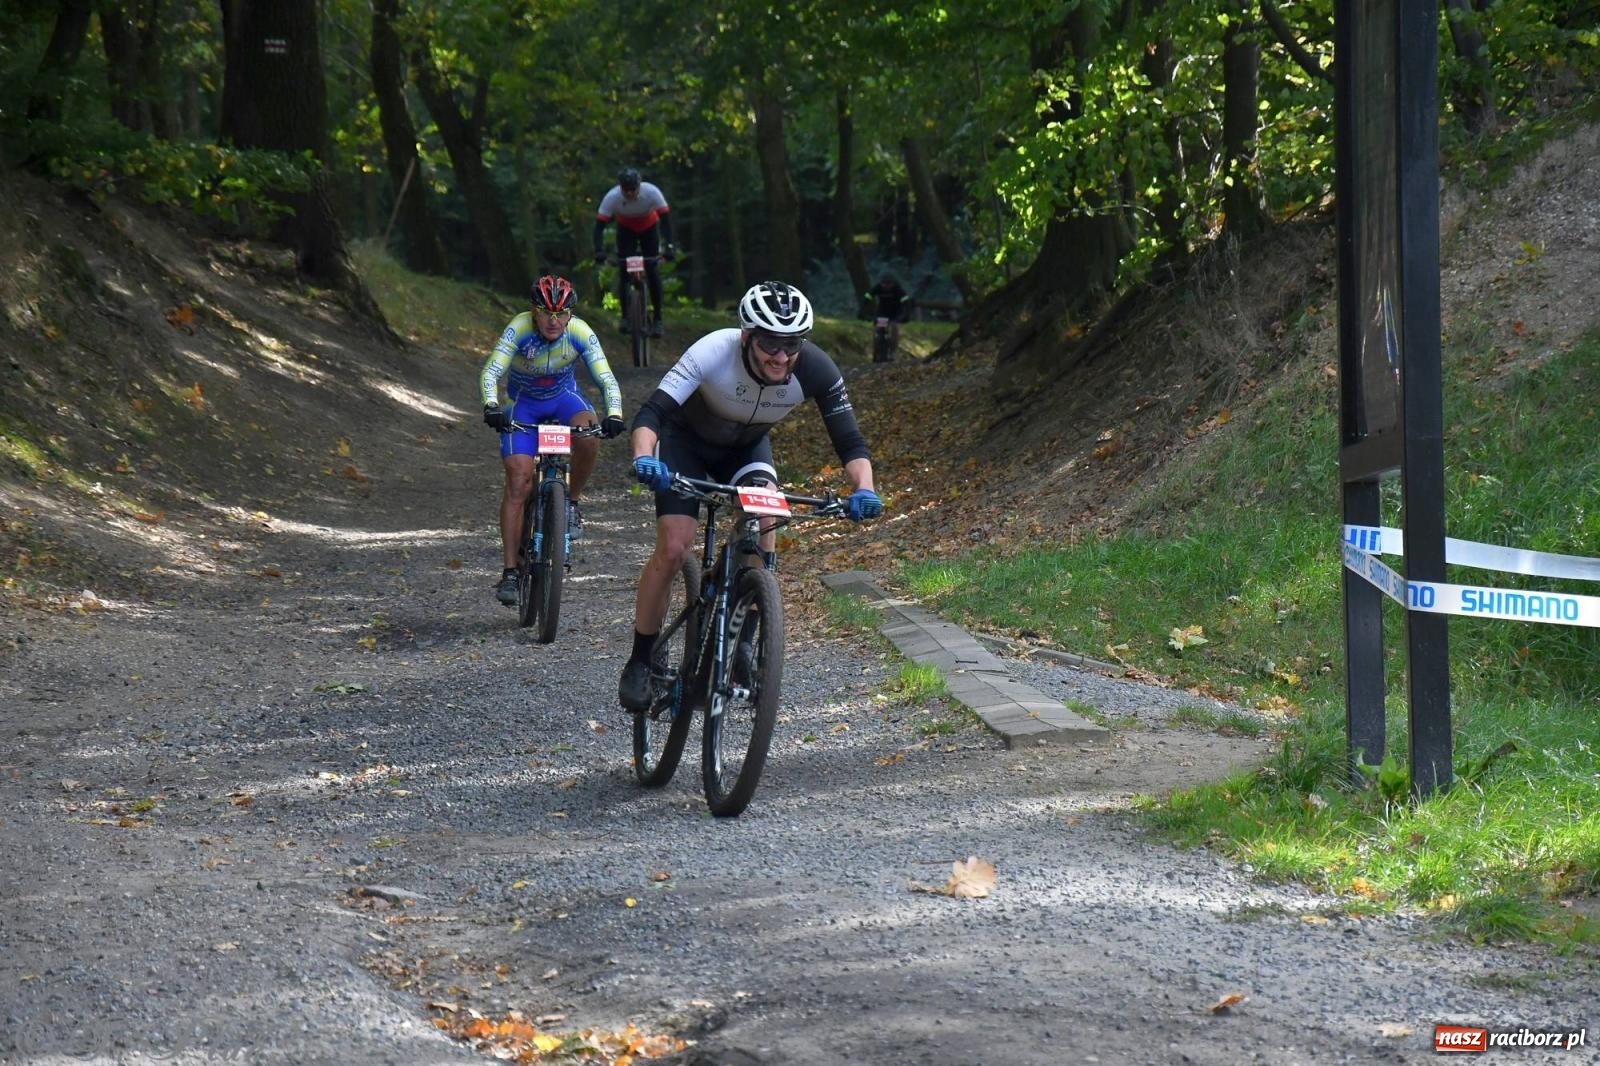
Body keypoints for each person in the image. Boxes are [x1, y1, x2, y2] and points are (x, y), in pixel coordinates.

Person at [617, 281, 883, 711]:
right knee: (674, 545)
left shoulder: (816, 368)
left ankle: (745, 637)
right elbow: (652, 414)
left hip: (746, 451)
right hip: (686, 444)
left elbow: (851, 443)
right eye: (769, 345)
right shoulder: (712, 351)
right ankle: (641, 659)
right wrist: (645, 458)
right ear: (746, 337)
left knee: (765, 521)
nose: (780, 357)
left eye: (791, 345)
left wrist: (865, 488)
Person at [480, 275, 627, 607]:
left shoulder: (580, 332)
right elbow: (492, 371)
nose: (553, 320)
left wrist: (614, 413)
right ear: (534, 311)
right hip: (524, 407)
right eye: (546, 312)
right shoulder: (518, 329)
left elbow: (606, 377)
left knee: (589, 435)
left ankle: (571, 504)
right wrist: (491, 406)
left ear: (570, 314)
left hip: (564, 400)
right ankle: (510, 573)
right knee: (519, 481)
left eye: (561, 314)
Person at [592, 167, 675, 338]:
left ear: (639, 186)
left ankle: (658, 319)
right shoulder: (612, 197)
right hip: (626, 230)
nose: (629, 193)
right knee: (624, 272)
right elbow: (599, 226)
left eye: (632, 189)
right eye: (625, 190)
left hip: (649, 229)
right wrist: (599, 251)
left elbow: (666, 220)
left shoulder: (652, 192)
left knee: (652, 270)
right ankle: (625, 317)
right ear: (620, 188)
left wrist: (670, 247)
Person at [867, 272, 909, 361]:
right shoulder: (878, 288)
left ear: (893, 283)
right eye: (884, 284)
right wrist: (863, 310)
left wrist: (905, 315)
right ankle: (876, 349)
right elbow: (868, 296)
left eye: (889, 284)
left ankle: (892, 353)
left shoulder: (898, 289)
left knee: (894, 328)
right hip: (882, 313)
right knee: (878, 329)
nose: (886, 286)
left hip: (895, 313)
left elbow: (906, 302)